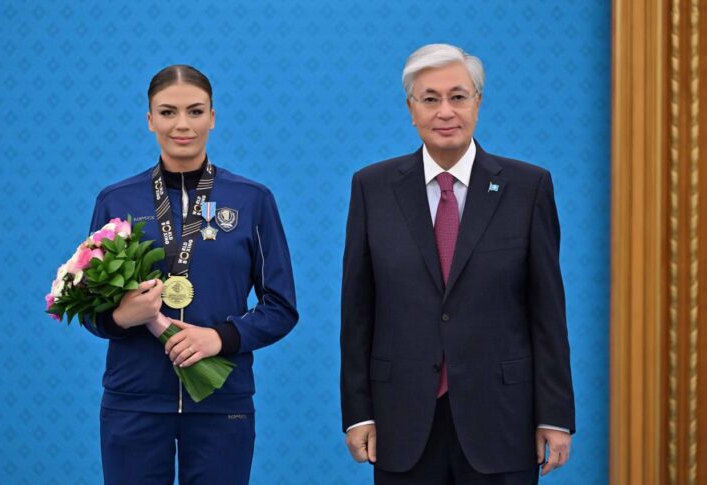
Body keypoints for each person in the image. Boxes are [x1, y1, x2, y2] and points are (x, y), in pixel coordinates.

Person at [340, 44, 575, 484]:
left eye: (458, 97)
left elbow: (547, 313)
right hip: (402, 418)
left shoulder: (528, 188)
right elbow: (357, 313)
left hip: (503, 419)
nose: (445, 111)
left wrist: (555, 415)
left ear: (477, 103)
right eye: (430, 99)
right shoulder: (372, 188)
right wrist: (358, 413)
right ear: (411, 109)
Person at [84, 65, 298, 484]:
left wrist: (220, 337)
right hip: (134, 400)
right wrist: (120, 318)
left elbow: (281, 306)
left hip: (222, 400)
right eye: (168, 112)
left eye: (195, 111)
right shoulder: (116, 201)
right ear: (150, 120)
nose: (182, 124)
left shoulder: (252, 200)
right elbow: (90, 306)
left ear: (212, 117)